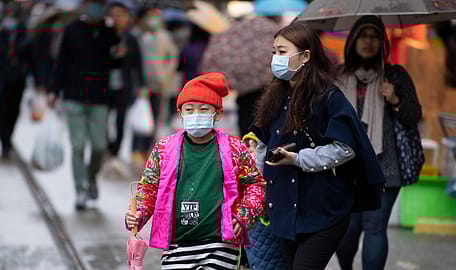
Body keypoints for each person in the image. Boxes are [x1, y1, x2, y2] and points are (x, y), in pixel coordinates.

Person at [251, 22, 385, 270]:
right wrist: (253, 188)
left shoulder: (330, 98)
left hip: (324, 211)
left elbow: (345, 148)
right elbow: (261, 145)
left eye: (282, 52)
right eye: (274, 52)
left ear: (305, 56)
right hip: (283, 210)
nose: (276, 58)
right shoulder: (274, 96)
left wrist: (298, 159)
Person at [125, 72, 266, 269]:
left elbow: (255, 185)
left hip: (220, 245)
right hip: (177, 245)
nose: (195, 115)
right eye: (189, 109)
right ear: (180, 113)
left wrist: (243, 215)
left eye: (203, 109)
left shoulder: (234, 148)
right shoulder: (164, 149)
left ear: (217, 113)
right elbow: (149, 188)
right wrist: (139, 213)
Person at [335, 16, 422, 270]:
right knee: (348, 228)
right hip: (345, 165)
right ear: (352, 41)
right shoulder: (338, 76)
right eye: (364, 35)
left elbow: (414, 115)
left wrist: (394, 98)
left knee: (374, 224)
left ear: (382, 43)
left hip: (386, 165)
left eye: (375, 36)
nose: (369, 41)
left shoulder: (395, 75)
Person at [48, 0, 125, 210]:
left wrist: (120, 48)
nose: (96, 8)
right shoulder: (72, 30)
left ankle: (91, 179)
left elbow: (116, 64)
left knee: (100, 146)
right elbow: (61, 62)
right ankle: (80, 190)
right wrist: (54, 90)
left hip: (100, 98)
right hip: (74, 96)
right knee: (78, 145)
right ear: (83, 6)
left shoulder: (110, 31)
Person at [131, 5, 178, 165]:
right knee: (139, 118)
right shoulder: (137, 37)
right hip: (140, 86)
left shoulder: (164, 37)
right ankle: (136, 150)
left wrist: (166, 75)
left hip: (159, 84)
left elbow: (172, 57)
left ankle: (147, 152)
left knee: (154, 118)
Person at [104, 0, 145, 171]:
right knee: (103, 120)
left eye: (120, 15)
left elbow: (138, 64)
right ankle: (107, 147)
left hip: (124, 86)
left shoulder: (131, 38)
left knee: (121, 120)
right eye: (113, 14)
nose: (116, 18)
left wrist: (142, 86)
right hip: (104, 86)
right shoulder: (103, 35)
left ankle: (115, 152)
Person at [0, 1, 32, 159]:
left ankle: (8, 138)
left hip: (18, 79)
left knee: (13, 110)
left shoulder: (25, 35)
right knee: (2, 110)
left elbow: (33, 58)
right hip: (2, 77)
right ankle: (5, 141)